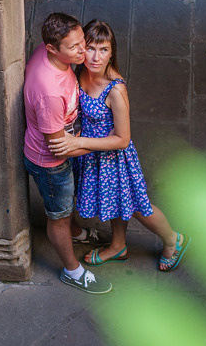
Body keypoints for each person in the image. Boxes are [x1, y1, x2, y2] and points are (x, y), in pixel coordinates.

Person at [48, 19, 190, 271]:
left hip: (113, 157)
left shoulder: (115, 89)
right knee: (115, 202)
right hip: (92, 155)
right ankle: (118, 246)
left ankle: (173, 239)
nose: (95, 57)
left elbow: (122, 139)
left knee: (137, 206)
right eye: (90, 48)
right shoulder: (81, 72)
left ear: (112, 52)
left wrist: (77, 141)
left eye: (103, 50)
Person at [23, 12, 112, 294]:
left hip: (64, 146)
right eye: (75, 47)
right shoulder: (49, 92)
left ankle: (76, 232)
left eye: (82, 41)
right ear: (52, 48)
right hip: (52, 163)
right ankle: (72, 271)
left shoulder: (49, 52)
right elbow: (58, 145)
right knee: (58, 215)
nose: (83, 51)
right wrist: (104, 146)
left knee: (65, 208)